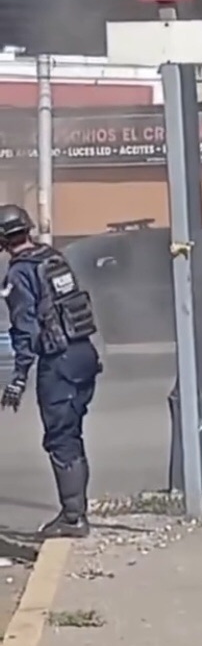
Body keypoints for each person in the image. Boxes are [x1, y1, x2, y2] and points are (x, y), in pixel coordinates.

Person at [0, 205, 100, 538]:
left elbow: (25, 329)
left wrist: (18, 378)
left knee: (61, 438)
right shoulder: (53, 258)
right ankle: (75, 511)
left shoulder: (19, 273)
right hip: (83, 352)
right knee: (71, 433)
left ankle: (73, 518)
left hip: (59, 361)